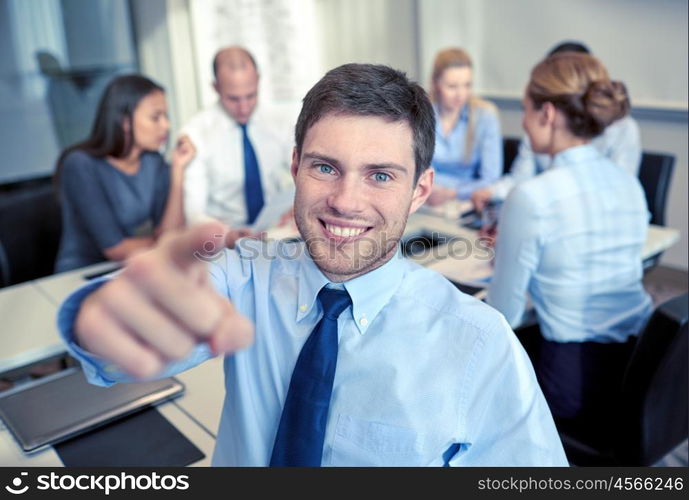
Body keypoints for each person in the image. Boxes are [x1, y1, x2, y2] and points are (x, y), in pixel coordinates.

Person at [58, 63, 567, 467]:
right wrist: (104, 320)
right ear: (296, 166)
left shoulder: (480, 344)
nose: (345, 201)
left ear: (421, 191)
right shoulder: (243, 276)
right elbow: (133, 333)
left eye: (381, 176)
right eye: (325, 167)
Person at [486, 52, 653, 440]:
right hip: (636, 368)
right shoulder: (629, 182)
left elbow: (502, 317)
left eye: (526, 111)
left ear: (546, 113)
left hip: (571, 385)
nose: (524, 124)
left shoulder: (533, 198)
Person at [472, 41, 641, 211]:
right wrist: (492, 192)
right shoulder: (538, 124)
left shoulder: (623, 131)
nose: (524, 122)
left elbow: (615, 196)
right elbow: (521, 178)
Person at [54, 74, 195, 272]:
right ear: (124, 121)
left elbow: (173, 233)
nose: (166, 126)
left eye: (166, 116)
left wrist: (178, 171)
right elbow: (116, 249)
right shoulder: (80, 165)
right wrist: (165, 242)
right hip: (82, 275)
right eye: (156, 117)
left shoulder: (153, 161)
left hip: (132, 269)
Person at [181, 46, 291, 234]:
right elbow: (193, 214)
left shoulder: (280, 123)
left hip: (274, 233)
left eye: (251, 96)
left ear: (258, 80)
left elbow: (305, 175)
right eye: (233, 99)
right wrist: (225, 234)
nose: (244, 107)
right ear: (215, 87)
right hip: (223, 241)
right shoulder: (196, 134)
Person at [425, 48, 502, 205]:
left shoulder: (485, 116)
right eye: (452, 86)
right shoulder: (421, 114)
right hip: (426, 198)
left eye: (467, 85)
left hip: (466, 201)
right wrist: (430, 191)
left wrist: (453, 193)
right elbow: (417, 170)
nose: (461, 94)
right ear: (435, 83)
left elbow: (491, 178)